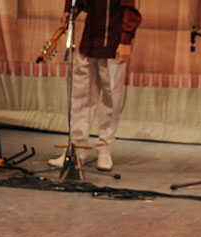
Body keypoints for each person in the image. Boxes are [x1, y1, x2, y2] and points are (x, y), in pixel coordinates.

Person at [47, 0, 142, 171]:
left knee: (112, 99)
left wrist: (126, 40)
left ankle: (105, 150)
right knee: (80, 96)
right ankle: (76, 150)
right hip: (89, 42)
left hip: (114, 43)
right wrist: (69, 10)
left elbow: (130, 10)